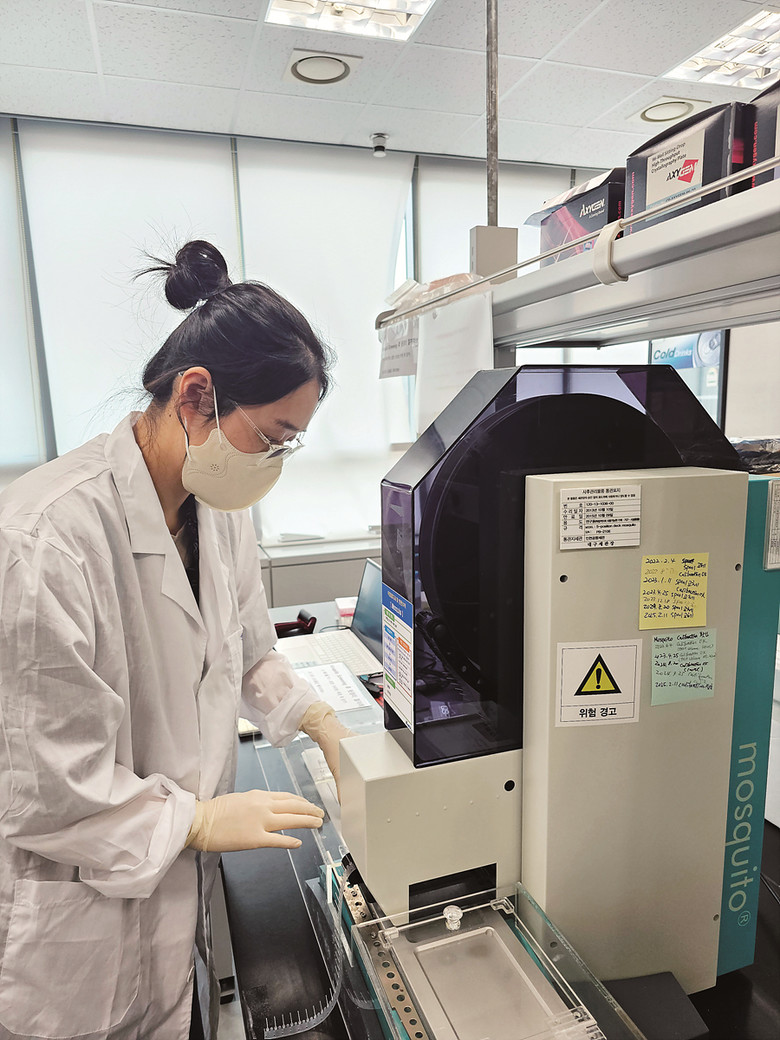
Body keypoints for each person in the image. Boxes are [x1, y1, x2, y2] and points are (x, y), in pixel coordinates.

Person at [0, 240, 353, 1040]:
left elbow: (247, 648)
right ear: (196, 396)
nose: (275, 461)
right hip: (74, 926)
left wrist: (318, 719)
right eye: (273, 435)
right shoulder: (46, 539)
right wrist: (193, 821)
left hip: (171, 899)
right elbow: (45, 788)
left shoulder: (216, 504)